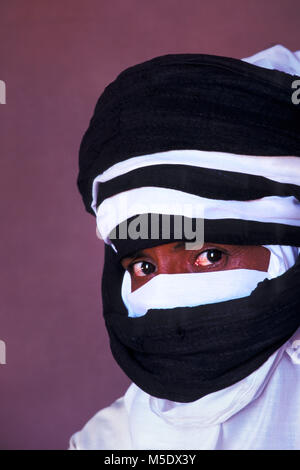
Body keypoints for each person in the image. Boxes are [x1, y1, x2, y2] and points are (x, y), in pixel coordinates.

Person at [69, 44, 300, 450]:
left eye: (209, 256)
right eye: (143, 267)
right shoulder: (103, 442)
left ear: (287, 254)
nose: (167, 295)